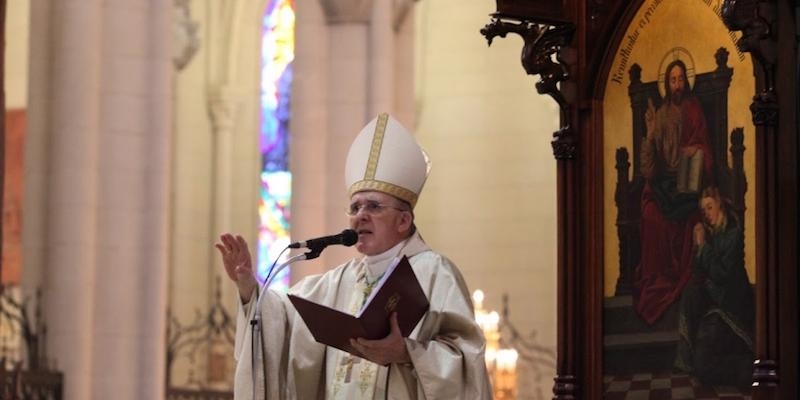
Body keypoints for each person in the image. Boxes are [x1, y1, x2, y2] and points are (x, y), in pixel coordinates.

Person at [215, 113, 493, 399]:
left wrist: (406, 352)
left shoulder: (435, 273)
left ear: (403, 221)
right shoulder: (338, 282)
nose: (360, 216)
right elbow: (282, 321)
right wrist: (248, 287)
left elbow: (465, 364)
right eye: (355, 207)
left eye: (373, 206)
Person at [633, 59, 715, 324]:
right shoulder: (659, 114)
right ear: (667, 84)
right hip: (663, 184)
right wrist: (650, 134)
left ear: (686, 82)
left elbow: (704, 146)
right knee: (651, 216)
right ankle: (660, 279)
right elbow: (648, 170)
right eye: (673, 80)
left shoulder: (693, 109)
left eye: (681, 79)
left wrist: (695, 151)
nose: (677, 85)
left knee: (691, 217)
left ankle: (685, 280)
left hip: (688, 181)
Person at [673, 186, 753, 386]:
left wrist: (703, 247)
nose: (707, 214)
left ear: (720, 205)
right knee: (690, 291)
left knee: (705, 369)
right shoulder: (710, 233)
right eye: (704, 210)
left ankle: (749, 367)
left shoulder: (733, 233)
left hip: (731, 309)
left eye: (710, 207)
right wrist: (696, 246)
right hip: (714, 306)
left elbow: (721, 274)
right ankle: (689, 360)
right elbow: (697, 274)